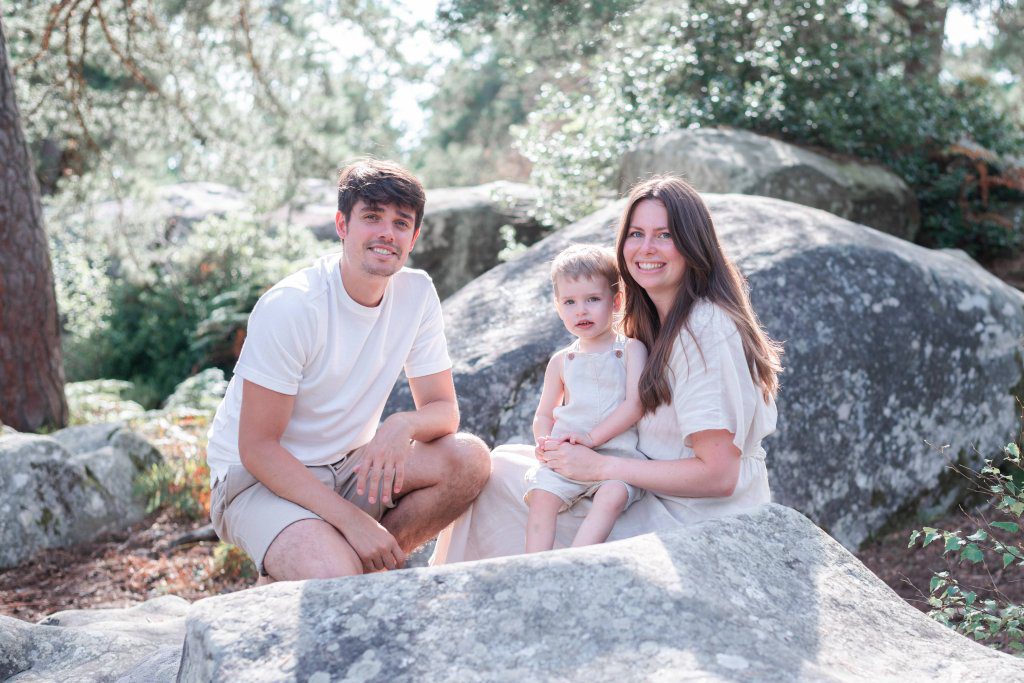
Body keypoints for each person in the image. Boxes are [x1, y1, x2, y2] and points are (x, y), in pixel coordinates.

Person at [432, 175, 783, 563]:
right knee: (500, 464)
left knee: (494, 490)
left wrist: (599, 465)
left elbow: (718, 476)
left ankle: (506, 596)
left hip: (688, 517)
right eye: (636, 233)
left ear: (692, 244)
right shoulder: (654, 323)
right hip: (640, 485)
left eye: (664, 235)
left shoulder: (705, 330)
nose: (646, 248)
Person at [206, 158, 491, 581]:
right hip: (259, 483)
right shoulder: (293, 306)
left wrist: (401, 425)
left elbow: (444, 411)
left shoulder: (417, 293)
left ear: (413, 237)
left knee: (468, 460)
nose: (386, 233)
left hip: (349, 467)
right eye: (372, 217)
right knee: (337, 581)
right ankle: (322, 564)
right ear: (342, 225)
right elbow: (259, 449)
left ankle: (337, 567)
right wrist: (353, 522)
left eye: (400, 223)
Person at [525, 244, 648, 552]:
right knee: (542, 495)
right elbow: (544, 415)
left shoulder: (630, 350)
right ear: (558, 306)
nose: (581, 310)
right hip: (568, 454)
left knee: (613, 496)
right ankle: (531, 563)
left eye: (593, 299)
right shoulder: (562, 361)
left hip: (617, 457)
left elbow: (635, 405)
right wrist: (544, 442)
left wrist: (592, 440)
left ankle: (577, 556)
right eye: (569, 302)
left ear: (616, 301)